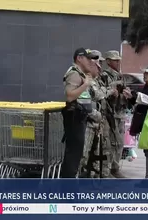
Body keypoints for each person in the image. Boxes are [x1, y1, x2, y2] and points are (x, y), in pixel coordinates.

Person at [60, 48, 99, 178]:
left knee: (76, 155)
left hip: (80, 118)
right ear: (79, 58)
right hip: (74, 117)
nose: (90, 61)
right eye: (88, 58)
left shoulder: (81, 74)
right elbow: (70, 96)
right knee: (72, 156)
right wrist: (85, 85)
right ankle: (67, 192)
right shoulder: (74, 73)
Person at [79, 50, 112, 178]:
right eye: (98, 65)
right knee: (83, 155)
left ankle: (92, 177)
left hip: (95, 123)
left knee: (94, 154)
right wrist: (96, 115)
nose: (99, 69)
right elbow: (97, 95)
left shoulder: (96, 79)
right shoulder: (85, 80)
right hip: (87, 123)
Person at [101, 50, 132, 178]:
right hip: (110, 114)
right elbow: (103, 93)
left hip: (120, 112)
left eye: (119, 60)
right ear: (108, 61)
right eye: (115, 60)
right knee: (111, 143)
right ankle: (109, 169)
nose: (118, 62)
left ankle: (115, 167)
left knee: (119, 143)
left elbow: (124, 91)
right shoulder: (104, 76)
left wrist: (127, 94)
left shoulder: (119, 76)